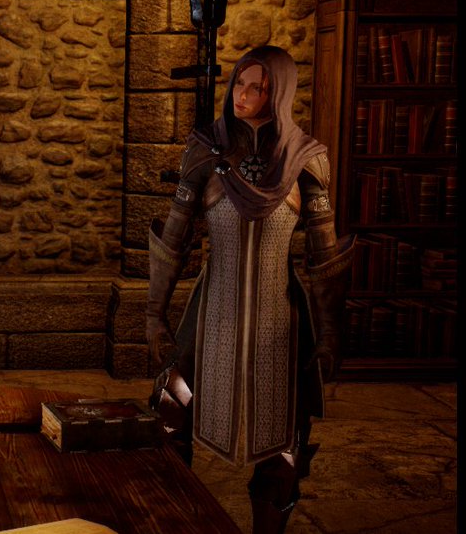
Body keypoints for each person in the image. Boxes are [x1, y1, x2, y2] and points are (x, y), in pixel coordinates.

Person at [145, 46, 353, 534]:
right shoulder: (205, 151)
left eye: (257, 87)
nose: (242, 94)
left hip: (281, 320)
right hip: (210, 313)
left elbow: (324, 256)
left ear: (277, 92)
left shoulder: (306, 159)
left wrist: (329, 335)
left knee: (285, 449)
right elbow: (172, 240)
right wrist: (155, 315)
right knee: (171, 410)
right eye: (240, 83)